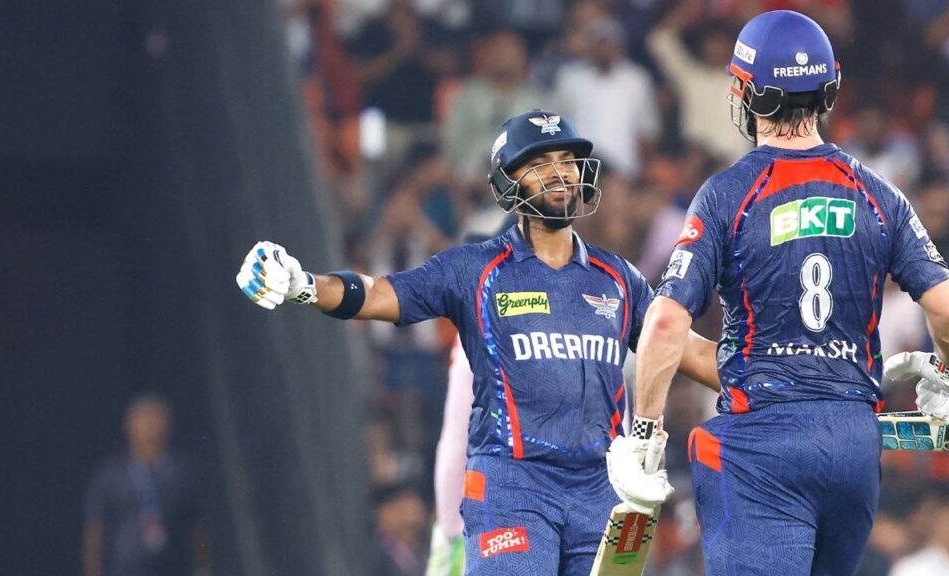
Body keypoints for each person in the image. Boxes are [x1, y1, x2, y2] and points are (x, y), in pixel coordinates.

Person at [235, 109, 720, 575]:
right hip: (513, 485)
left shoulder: (618, 278)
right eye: (539, 163)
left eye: (567, 161)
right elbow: (379, 294)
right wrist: (303, 285)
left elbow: (687, 349)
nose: (560, 173)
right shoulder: (473, 269)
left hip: (600, 489)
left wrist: (763, 381)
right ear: (509, 182)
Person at [606, 11, 949, 576]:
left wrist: (643, 433)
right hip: (852, 445)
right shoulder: (878, 194)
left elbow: (664, 323)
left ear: (745, 91)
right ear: (829, 87)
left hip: (760, 443)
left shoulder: (728, 194)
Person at [82, 393, 211, 576]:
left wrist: (203, 568)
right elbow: (96, 529)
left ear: (168, 423)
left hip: (174, 567)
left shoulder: (183, 472)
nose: (150, 425)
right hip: (125, 569)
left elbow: (198, 526)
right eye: (144, 418)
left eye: (156, 417)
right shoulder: (110, 475)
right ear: (129, 425)